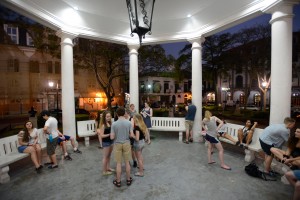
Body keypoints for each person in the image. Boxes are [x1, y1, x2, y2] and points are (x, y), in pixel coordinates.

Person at [110, 107, 135, 187]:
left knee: (118, 163)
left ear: (117, 114)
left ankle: (118, 181)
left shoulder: (114, 124)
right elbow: (131, 135)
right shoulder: (129, 123)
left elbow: (112, 137)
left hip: (117, 144)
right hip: (127, 143)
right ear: (124, 113)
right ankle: (128, 180)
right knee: (127, 162)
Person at [98, 111, 115, 175]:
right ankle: (104, 171)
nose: (109, 118)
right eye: (107, 116)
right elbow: (101, 135)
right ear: (104, 117)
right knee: (105, 157)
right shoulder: (103, 125)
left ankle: (108, 168)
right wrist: (109, 134)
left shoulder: (110, 123)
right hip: (106, 142)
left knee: (109, 156)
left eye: (109, 116)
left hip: (111, 142)